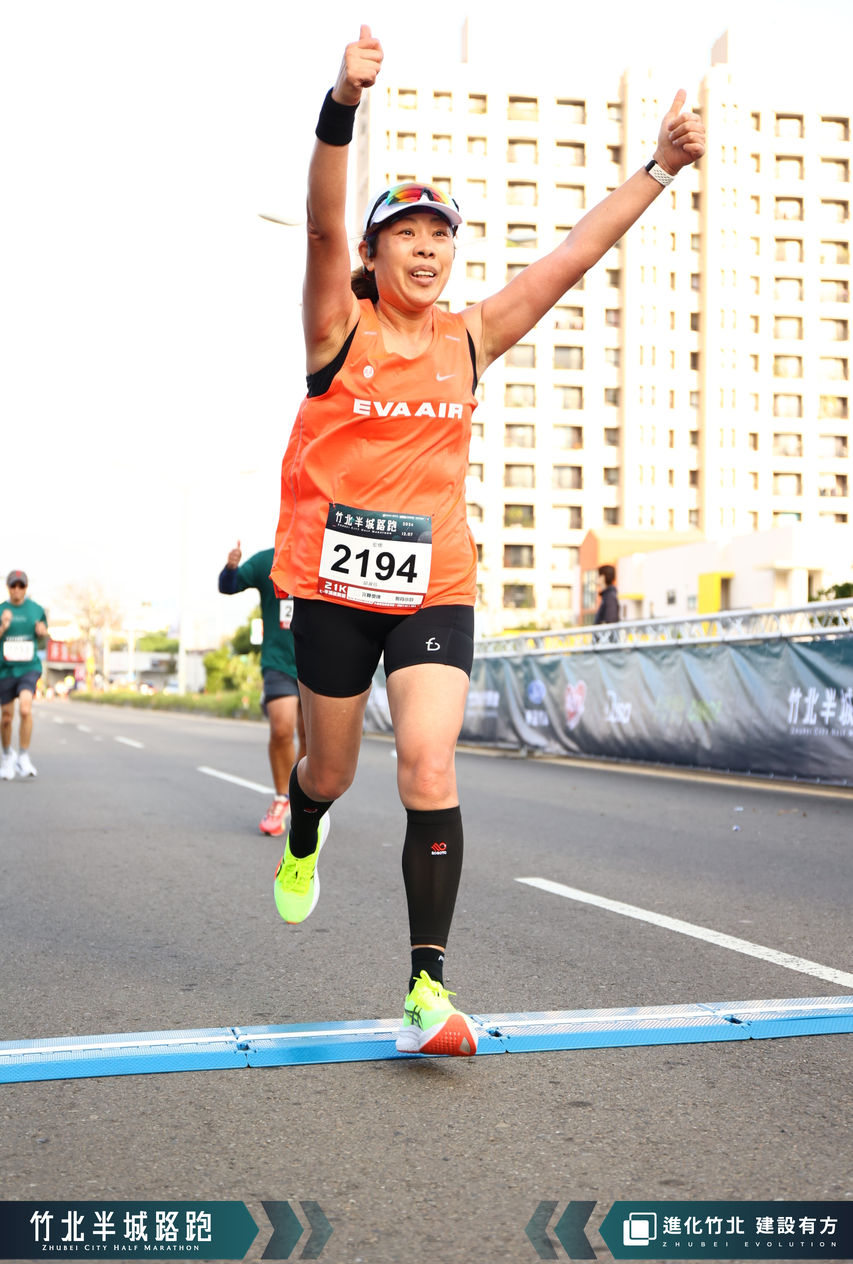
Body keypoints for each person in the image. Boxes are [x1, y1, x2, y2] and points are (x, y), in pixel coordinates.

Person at [268, 26, 705, 1056]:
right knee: (330, 772)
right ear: (373, 255)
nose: (426, 248)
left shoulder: (468, 337)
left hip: (434, 585)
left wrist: (658, 168)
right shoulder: (336, 329)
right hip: (332, 588)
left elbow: (571, 257)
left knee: (428, 767)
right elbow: (321, 223)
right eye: (405, 233)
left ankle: (426, 988)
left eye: (441, 235)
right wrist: (341, 104)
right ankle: (303, 825)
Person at [218, 541, 306, 835]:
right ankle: (282, 797)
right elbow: (229, 586)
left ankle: (305, 799)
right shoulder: (268, 559)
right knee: (281, 729)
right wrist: (231, 569)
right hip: (278, 661)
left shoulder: (326, 553)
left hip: (318, 661)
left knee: (312, 738)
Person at [0, 570, 48, 780]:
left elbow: (43, 638)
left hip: (29, 667)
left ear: (26, 588)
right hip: (5, 669)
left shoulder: (36, 610)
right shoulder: (1, 610)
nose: (17, 589)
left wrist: (42, 632)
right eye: (13, 585)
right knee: (6, 718)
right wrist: (3, 626)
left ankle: (23, 756)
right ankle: (7, 755)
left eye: (21, 585)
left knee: (26, 709)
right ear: (8, 587)